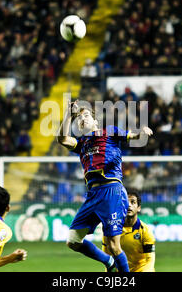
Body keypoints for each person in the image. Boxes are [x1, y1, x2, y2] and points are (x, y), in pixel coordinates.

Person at [57, 99, 153, 272]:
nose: (82, 119)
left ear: (95, 122)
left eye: (86, 115)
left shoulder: (108, 132)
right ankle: (109, 262)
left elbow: (130, 135)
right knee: (72, 241)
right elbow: (62, 138)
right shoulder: (81, 144)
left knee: (113, 245)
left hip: (111, 191)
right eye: (79, 118)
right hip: (93, 195)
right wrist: (68, 115)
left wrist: (141, 132)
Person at [102, 190, 155, 272]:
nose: (129, 205)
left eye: (133, 202)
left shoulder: (145, 231)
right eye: (125, 202)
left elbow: (150, 260)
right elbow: (107, 257)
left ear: (139, 208)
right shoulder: (111, 229)